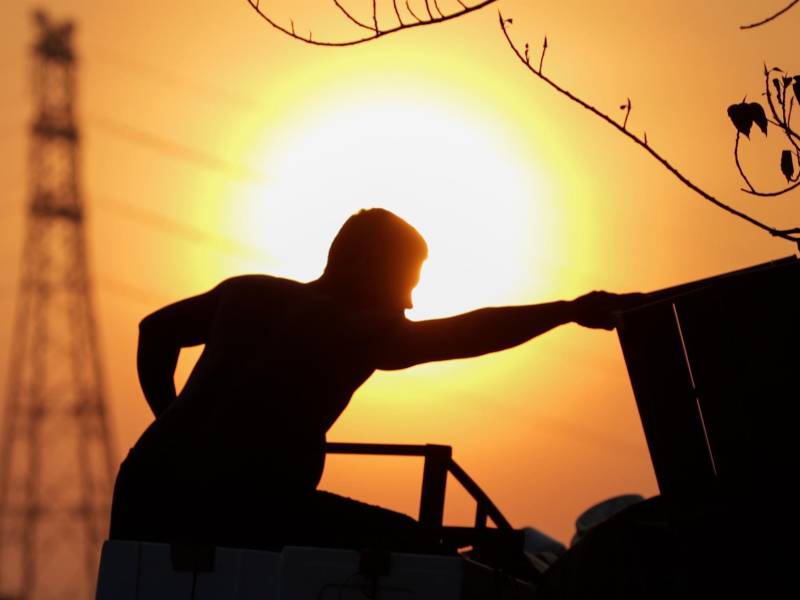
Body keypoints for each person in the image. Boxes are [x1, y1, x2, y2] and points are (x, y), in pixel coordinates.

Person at [109, 208, 641, 552]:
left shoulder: (249, 291)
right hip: (249, 504)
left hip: (149, 481)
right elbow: (468, 332)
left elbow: (154, 332)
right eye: (408, 283)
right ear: (375, 271)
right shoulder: (360, 329)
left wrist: (174, 425)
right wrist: (567, 310)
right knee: (420, 554)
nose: (411, 301)